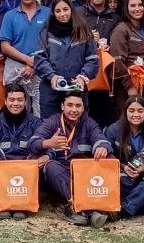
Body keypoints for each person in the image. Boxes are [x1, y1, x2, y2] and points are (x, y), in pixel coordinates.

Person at [27, 91, 112, 228]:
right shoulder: (52, 122)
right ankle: (83, 206)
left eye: (78, 106)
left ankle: (80, 208)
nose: (74, 110)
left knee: (109, 157)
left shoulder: (88, 122)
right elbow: (33, 143)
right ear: (62, 106)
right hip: (62, 173)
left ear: (83, 108)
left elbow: (101, 139)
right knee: (51, 166)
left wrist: (102, 147)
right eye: (70, 105)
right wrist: (48, 143)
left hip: (85, 173)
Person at [0, 83, 43, 220]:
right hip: (3, 170)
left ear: (25, 102)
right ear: (5, 101)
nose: (15, 103)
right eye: (12, 100)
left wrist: (47, 156)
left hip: (26, 170)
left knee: (36, 155)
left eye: (19, 100)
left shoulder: (36, 123)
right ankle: (4, 204)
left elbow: (48, 146)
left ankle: (21, 206)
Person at [103, 96, 144, 221]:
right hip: (122, 172)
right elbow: (108, 156)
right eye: (131, 110)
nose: (136, 114)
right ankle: (143, 206)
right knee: (119, 179)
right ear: (125, 111)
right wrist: (123, 167)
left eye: (140, 111)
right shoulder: (113, 129)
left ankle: (123, 210)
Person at [34, 0, 99, 118]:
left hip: (77, 89)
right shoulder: (46, 33)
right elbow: (39, 59)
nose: (62, 14)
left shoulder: (84, 32)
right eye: (58, 11)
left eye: (65, 9)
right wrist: (51, 76)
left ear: (72, 10)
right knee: (51, 128)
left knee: (78, 128)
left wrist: (83, 77)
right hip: (50, 90)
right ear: (53, 13)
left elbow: (93, 59)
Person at [0, 0, 50, 117]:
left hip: (42, 67)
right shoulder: (10, 16)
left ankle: (39, 139)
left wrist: (35, 64)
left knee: (41, 111)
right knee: (17, 109)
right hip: (16, 68)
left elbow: (52, 43)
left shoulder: (48, 13)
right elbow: (5, 46)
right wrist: (29, 61)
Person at [109, 0, 144, 115]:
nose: (137, 8)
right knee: (128, 124)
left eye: (140, 5)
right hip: (128, 85)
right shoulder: (121, 29)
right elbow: (116, 60)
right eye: (133, 5)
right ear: (127, 9)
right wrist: (129, 86)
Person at [81, 0, 120, 126]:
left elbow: (119, 43)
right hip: (81, 69)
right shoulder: (78, 13)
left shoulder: (115, 18)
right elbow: (70, 38)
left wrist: (110, 47)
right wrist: (87, 37)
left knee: (102, 114)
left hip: (104, 73)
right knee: (79, 108)